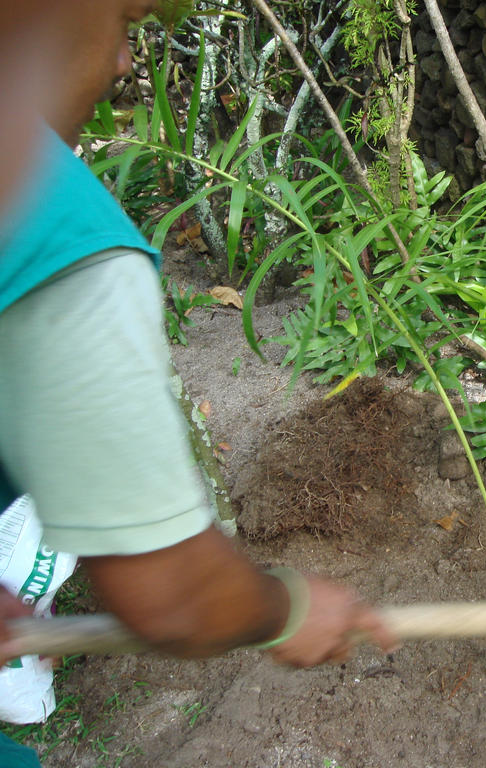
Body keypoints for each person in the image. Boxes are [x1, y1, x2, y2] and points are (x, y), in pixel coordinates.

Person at [0, 0, 395, 753]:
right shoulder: (57, 231)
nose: (123, 62)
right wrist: (288, 607)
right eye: (124, 18)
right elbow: (175, 597)